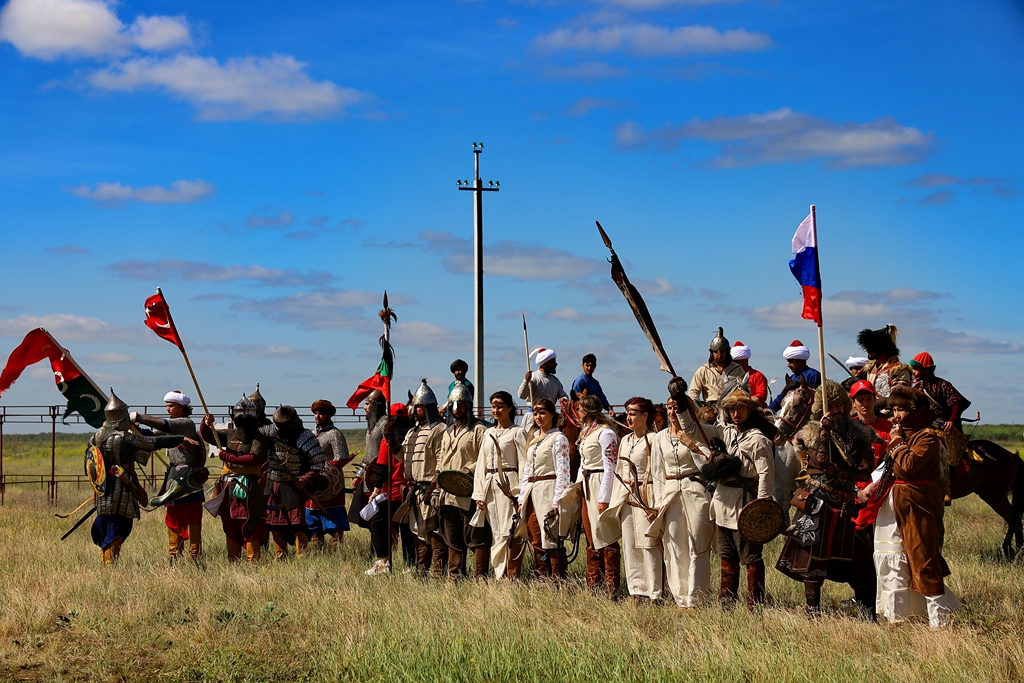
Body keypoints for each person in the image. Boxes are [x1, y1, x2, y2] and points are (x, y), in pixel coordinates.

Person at [857, 386, 962, 627]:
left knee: (923, 558)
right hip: (894, 504)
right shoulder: (902, 435)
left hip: (918, 503)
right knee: (891, 558)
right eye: (893, 409)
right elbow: (888, 470)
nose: (895, 415)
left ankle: (940, 622)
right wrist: (868, 489)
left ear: (915, 411)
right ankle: (897, 619)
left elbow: (907, 465)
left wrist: (895, 441)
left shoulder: (927, 437)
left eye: (901, 409)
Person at [775, 380, 878, 618]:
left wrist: (841, 473)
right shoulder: (809, 434)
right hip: (817, 503)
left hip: (845, 503)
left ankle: (868, 614)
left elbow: (865, 469)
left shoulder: (858, 434)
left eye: (839, 405)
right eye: (830, 407)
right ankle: (813, 613)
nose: (836, 411)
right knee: (812, 560)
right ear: (822, 409)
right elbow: (819, 463)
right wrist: (823, 431)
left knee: (861, 561)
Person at [698, 389, 776, 608]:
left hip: (746, 504)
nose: (735, 413)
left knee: (750, 556)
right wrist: (682, 401)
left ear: (749, 410)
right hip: (722, 502)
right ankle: (727, 602)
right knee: (726, 555)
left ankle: (755, 604)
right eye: (731, 408)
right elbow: (694, 430)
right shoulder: (725, 432)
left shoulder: (758, 440)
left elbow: (766, 475)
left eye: (740, 408)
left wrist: (761, 507)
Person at [90, 391, 185, 564]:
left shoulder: (96, 438)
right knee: (118, 527)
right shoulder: (124, 438)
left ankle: (107, 563)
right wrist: (180, 438)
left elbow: (91, 464)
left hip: (103, 490)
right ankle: (110, 564)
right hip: (123, 486)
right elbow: (152, 444)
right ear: (122, 417)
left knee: (108, 528)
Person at [649, 377, 714, 608]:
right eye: (669, 407)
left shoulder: (699, 432)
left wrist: (691, 443)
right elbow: (657, 472)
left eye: (676, 406)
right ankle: (680, 598)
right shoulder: (659, 438)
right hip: (670, 495)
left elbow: (707, 463)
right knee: (675, 547)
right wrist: (656, 505)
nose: (672, 411)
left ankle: (697, 597)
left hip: (695, 491)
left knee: (698, 544)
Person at [132, 390, 204, 563]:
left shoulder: (186, 424)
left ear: (182, 407)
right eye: (167, 406)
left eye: (171, 406)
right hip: (173, 478)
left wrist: (139, 417)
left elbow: (163, 425)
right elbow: (152, 438)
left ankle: (195, 558)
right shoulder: (170, 427)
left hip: (189, 480)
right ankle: (174, 558)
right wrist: (136, 430)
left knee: (192, 519)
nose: (168, 409)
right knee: (172, 520)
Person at [200, 387, 271, 563]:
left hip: (251, 487)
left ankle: (252, 562)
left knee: (251, 522)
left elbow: (253, 458)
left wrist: (226, 456)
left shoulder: (259, 437)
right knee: (230, 523)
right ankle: (233, 561)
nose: (242, 421)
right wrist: (205, 423)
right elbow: (209, 436)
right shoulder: (230, 434)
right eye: (240, 417)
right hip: (229, 487)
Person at [606, 396, 663, 602]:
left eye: (633, 413)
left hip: (646, 496)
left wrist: (655, 504)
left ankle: (654, 592)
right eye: (628, 413)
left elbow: (659, 472)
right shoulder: (626, 440)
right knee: (630, 544)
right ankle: (636, 590)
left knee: (648, 544)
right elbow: (620, 472)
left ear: (645, 415)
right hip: (626, 498)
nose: (628, 418)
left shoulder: (655, 439)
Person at [432, 383, 488, 579]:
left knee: (475, 536)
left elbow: (484, 458)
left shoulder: (479, 430)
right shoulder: (447, 432)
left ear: (468, 405)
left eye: (461, 404)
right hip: (448, 493)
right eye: (454, 405)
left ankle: (480, 576)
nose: (457, 408)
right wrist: (438, 483)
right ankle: (456, 576)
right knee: (452, 537)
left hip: (469, 491)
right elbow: (442, 459)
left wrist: (468, 471)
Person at [472, 391, 527, 579]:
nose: (496, 410)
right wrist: (479, 493)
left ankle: (510, 575)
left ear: (509, 407)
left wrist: (520, 494)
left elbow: (525, 464)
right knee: (496, 532)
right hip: (490, 486)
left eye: (500, 406)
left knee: (509, 532)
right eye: (494, 406)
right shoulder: (488, 433)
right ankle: (499, 574)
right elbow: (481, 465)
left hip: (510, 486)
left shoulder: (517, 433)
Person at [261, 405, 328, 559]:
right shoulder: (270, 431)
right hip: (273, 484)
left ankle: (301, 556)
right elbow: (248, 436)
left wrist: (305, 479)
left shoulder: (304, 436)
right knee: (274, 523)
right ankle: (281, 555)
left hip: (294, 486)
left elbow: (318, 463)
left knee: (297, 522)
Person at [518, 399, 571, 580]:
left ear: (551, 414)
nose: (538, 417)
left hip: (549, 489)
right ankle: (543, 577)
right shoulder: (533, 439)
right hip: (533, 491)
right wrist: (522, 497)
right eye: (535, 413)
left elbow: (563, 471)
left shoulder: (558, 438)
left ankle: (557, 580)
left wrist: (558, 500)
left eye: (542, 413)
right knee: (535, 536)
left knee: (551, 537)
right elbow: (527, 470)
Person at [575, 394, 621, 595]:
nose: (577, 413)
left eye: (579, 410)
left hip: (600, 482)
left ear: (586, 411)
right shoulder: (586, 432)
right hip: (587, 483)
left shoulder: (605, 433)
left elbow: (610, 466)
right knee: (591, 536)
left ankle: (611, 586)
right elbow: (583, 462)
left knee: (606, 534)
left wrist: (604, 498)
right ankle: (595, 583)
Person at [366, 403, 414, 576]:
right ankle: (410, 566)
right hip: (409, 492)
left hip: (390, 492)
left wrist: (376, 490)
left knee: (378, 526)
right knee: (407, 530)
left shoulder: (389, 439)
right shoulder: (413, 435)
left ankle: (384, 561)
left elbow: (381, 467)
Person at [307, 400, 353, 551]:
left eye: (321, 413)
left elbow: (342, 458)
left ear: (328, 415)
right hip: (313, 484)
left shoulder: (334, 434)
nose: (317, 416)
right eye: (315, 413)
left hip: (331, 485)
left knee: (335, 523)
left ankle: (337, 554)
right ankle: (316, 554)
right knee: (313, 523)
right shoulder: (313, 434)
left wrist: (327, 473)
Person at [849, 380, 891, 531]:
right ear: (852, 402)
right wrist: (856, 491)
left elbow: (889, 462)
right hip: (850, 494)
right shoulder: (845, 428)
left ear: (875, 399)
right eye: (860, 400)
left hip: (879, 494)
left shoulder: (888, 428)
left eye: (868, 399)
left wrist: (871, 488)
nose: (865, 404)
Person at [908, 352, 971, 436]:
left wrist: (951, 421)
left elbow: (957, 403)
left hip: (945, 430)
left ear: (926, 369)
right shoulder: (917, 389)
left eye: (915, 369)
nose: (913, 372)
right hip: (923, 429)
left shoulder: (943, 385)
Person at [857, 325, 912, 409]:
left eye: (871, 347)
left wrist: (873, 404)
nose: (867, 350)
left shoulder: (898, 370)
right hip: (870, 415)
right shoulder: (867, 370)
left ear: (882, 348)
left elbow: (899, 397)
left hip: (890, 416)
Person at [687, 327, 745, 406]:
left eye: (722, 351)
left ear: (727, 351)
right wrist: (701, 409)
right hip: (710, 409)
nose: (719, 355)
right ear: (711, 352)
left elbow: (744, 391)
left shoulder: (737, 369)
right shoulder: (703, 370)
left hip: (731, 408)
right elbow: (693, 393)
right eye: (716, 352)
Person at [518, 348, 568, 434]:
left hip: (551, 418)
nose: (556, 364)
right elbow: (521, 395)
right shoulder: (533, 377)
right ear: (545, 363)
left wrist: (563, 398)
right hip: (534, 418)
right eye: (553, 361)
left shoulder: (555, 380)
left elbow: (563, 394)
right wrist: (526, 381)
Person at [768, 340, 822, 412]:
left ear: (800, 361)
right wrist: (769, 409)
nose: (788, 365)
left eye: (791, 362)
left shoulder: (814, 375)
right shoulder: (793, 378)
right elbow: (782, 396)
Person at [730, 341, 768, 406]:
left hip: (753, 408)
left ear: (745, 361)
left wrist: (746, 400)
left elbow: (762, 394)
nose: (733, 364)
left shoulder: (758, 375)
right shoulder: (730, 376)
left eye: (735, 362)